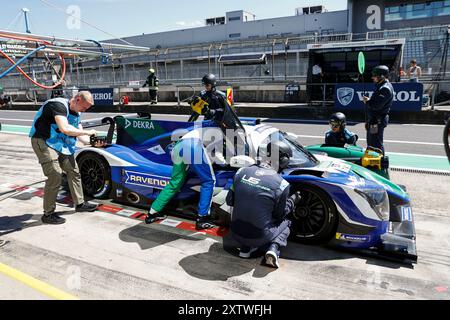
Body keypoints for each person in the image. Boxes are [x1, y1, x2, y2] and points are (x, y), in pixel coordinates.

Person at [225, 140, 301, 269]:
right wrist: (292, 201)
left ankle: (245, 249)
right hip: (259, 237)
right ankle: (273, 248)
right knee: (287, 223)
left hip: (234, 233)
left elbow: (229, 201)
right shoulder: (282, 185)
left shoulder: (241, 171)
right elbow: (279, 216)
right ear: (283, 162)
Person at [29, 92, 100, 225]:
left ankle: (79, 204)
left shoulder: (77, 112)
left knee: (74, 171)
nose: (85, 111)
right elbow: (65, 129)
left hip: (59, 144)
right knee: (55, 174)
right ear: (78, 99)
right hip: (43, 141)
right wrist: (88, 132)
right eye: (84, 108)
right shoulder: (57, 105)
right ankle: (48, 214)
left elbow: (81, 137)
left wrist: (93, 142)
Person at [363, 65, 394, 154]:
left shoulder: (385, 88)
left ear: (381, 76)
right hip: (374, 120)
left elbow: (376, 106)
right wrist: (368, 121)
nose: (372, 78)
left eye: (374, 76)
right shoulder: (382, 86)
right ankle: (374, 162)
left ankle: (380, 163)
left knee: (375, 143)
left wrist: (367, 101)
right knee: (372, 142)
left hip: (377, 121)